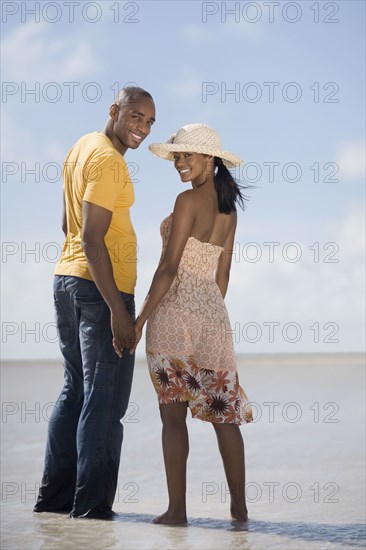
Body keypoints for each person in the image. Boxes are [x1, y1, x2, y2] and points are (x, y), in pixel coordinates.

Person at [33, 86, 156, 519]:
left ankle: (54, 502)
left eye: (149, 122)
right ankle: (91, 510)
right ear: (115, 111)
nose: (141, 127)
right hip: (99, 290)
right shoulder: (107, 160)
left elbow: (68, 222)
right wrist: (119, 313)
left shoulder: (82, 146)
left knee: (75, 392)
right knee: (103, 403)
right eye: (136, 116)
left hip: (66, 281)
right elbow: (90, 236)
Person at [129, 123, 253, 525]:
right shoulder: (228, 210)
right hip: (213, 315)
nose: (180, 162)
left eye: (187, 155)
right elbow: (223, 276)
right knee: (225, 414)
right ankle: (239, 510)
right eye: (177, 156)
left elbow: (167, 268)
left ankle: (178, 511)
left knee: (172, 416)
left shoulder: (186, 201)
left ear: (210, 160)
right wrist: (210, 314)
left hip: (174, 311)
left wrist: (138, 321)